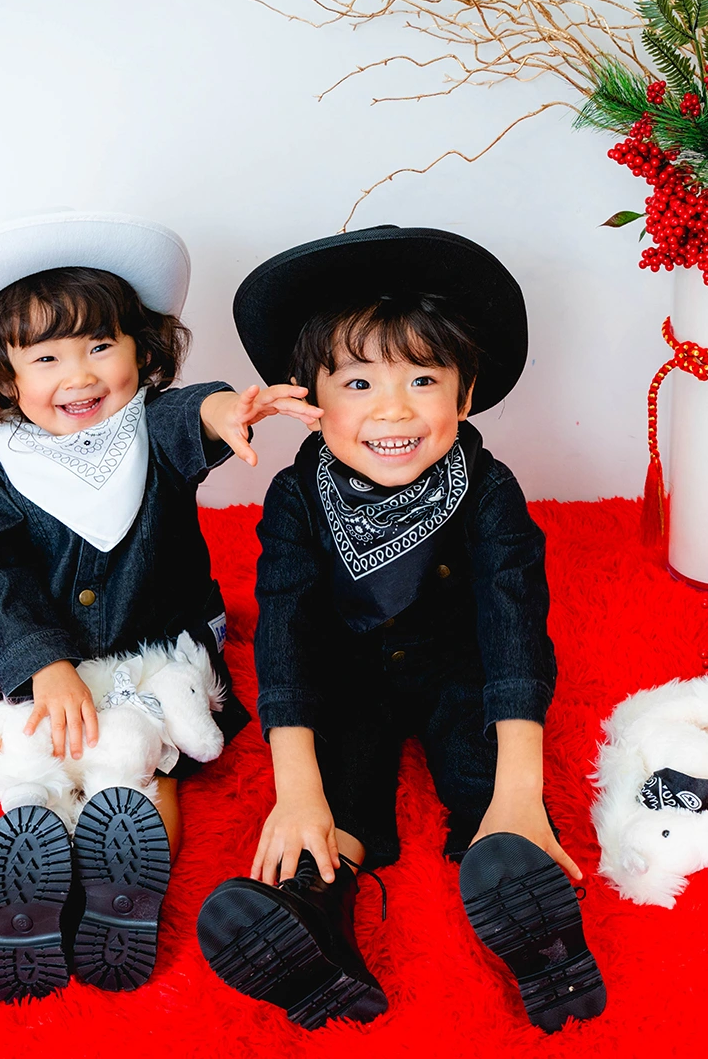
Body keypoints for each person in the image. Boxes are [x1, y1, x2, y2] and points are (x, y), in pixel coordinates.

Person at [196, 225, 606, 1033]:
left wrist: (521, 791)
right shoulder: (296, 496)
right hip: (350, 671)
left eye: (423, 379)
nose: (393, 410)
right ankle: (314, 910)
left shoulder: (488, 488)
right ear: (311, 402)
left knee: (484, 773)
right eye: (357, 383)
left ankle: (538, 923)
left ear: (465, 393)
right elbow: (285, 634)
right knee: (339, 780)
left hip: (462, 665)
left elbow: (515, 627)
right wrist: (296, 792)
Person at [0, 211, 321, 1002]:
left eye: (101, 346)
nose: (80, 375)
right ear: (5, 378)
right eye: (47, 357)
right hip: (57, 654)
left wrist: (226, 411)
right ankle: (37, 872)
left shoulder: (151, 426)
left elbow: (193, 412)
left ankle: (127, 890)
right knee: (39, 755)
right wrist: (43, 663)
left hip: (156, 647)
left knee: (142, 765)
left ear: (141, 350)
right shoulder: (1, 467)